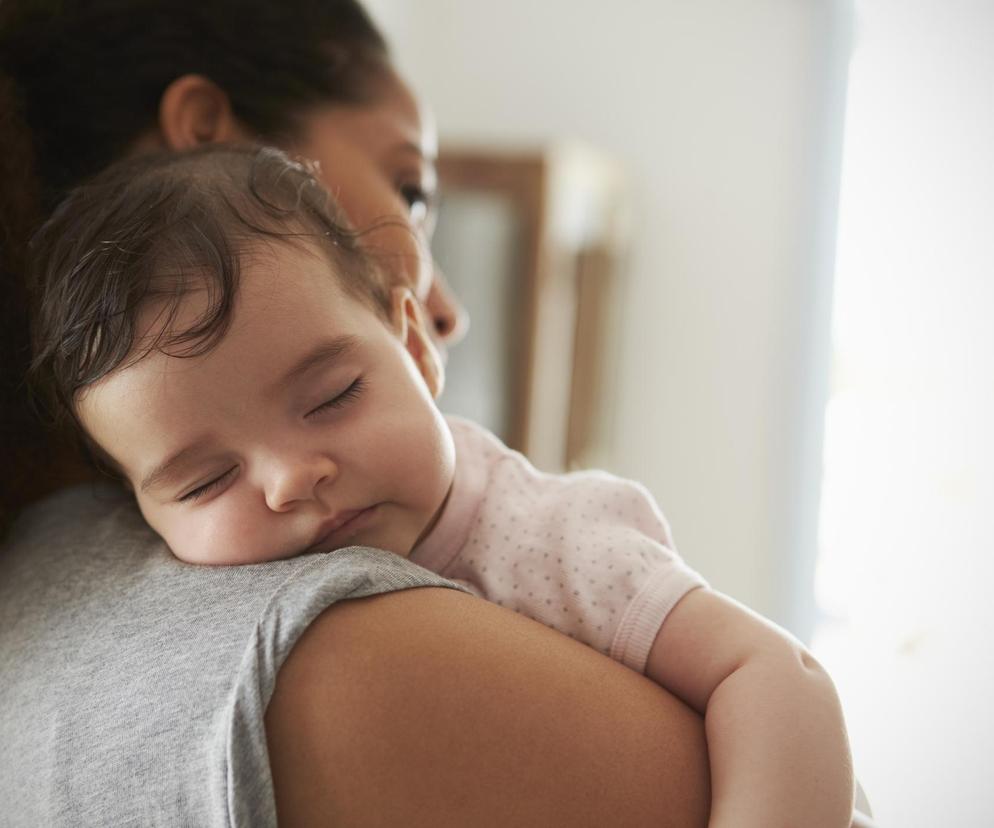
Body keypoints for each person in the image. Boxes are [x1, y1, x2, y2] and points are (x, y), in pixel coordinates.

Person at [0, 1, 714, 824]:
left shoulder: (44, 577)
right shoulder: (338, 662)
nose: (446, 312)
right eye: (410, 191)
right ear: (208, 136)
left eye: (331, 395)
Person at [30, 144, 855, 828]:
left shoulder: (549, 535)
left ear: (416, 349)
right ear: (136, 510)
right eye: (208, 481)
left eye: (332, 398)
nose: (289, 480)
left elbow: (777, 676)